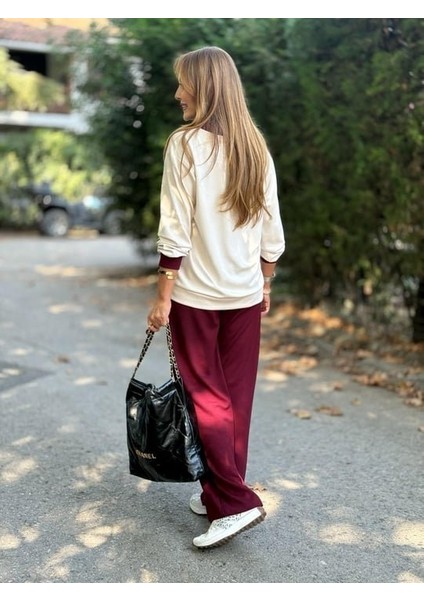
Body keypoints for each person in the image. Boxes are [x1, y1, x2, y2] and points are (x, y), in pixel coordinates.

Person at [147, 46, 285, 549]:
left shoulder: (185, 144)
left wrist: (163, 295)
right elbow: (272, 228)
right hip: (244, 296)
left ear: (203, 87)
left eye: (183, 84)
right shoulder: (254, 145)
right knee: (233, 400)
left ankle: (236, 502)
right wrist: (265, 281)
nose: (177, 94)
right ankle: (218, 492)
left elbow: (174, 228)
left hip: (197, 296)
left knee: (205, 399)